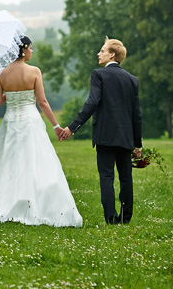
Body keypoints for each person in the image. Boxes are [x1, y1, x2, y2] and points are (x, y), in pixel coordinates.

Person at [0, 36, 83, 227]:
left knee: (7, 162)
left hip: (10, 122)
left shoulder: (1, 73)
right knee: (34, 162)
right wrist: (56, 126)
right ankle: (34, 204)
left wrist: (11, 94)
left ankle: (5, 202)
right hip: (30, 121)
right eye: (31, 48)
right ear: (23, 50)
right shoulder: (34, 71)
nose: (32, 51)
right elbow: (42, 102)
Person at [58, 37, 142, 225]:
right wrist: (138, 144)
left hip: (105, 136)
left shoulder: (99, 75)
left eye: (102, 50)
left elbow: (92, 102)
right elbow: (136, 115)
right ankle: (125, 219)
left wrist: (72, 127)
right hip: (126, 137)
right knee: (126, 178)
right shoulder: (132, 80)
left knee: (106, 177)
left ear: (112, 54)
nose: (99, 53)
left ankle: (111, 220)